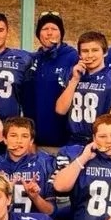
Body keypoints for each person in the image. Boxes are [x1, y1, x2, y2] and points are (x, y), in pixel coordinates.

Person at [56, 31, 111, 143]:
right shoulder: (71, 74)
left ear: (105, 52)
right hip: (74, 141)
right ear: (80, 55)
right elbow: (60, 110)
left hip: (104, 140)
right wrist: (74, 80)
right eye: (85, 51)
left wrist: (103, 140)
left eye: (95, 50)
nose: (90, 55)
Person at [0, 117, 58, 216]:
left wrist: (35, 197)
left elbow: (51, 212)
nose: (19, 141)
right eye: (13, 136)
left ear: (31, 141)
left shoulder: (46, 164)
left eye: (24, 136)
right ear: (5, 139)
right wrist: (3, 191)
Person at [23, 11, 79, 152]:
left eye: (54, 29)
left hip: (64, 144)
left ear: (61, 33)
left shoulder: (73, 57)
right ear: (38, 34)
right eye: (45, 29)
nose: (49, 33)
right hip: (35, 142)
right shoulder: (33, 59)